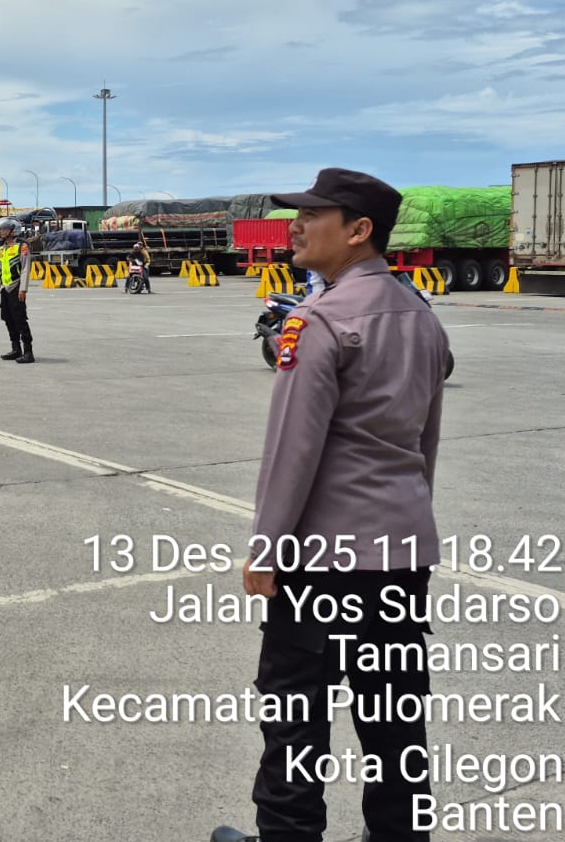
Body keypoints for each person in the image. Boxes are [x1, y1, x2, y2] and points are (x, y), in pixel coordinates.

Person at [213, 168, 451, 842]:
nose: (296, 225)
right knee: (395, 723)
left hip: (324, 564)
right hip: (402, 555)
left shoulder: (317, 321)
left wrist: (267, 549)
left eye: (313, 215)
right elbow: (425, 445)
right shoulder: (423, 319)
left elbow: (293, 451)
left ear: (358, 230)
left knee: (295, 718)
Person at [0, 217, 34, 363]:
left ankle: (28, 352)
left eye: (4, 229)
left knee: (20, 319)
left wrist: (23, 289)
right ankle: (16, 349)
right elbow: (0, 271)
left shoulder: (22, 247)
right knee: (8, 319)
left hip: (16, 288)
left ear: (12, 231)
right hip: (5, 289)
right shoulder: (1, 250)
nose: (1, 231)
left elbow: (25, 269)